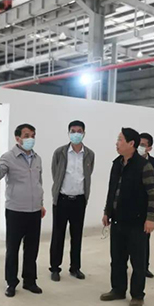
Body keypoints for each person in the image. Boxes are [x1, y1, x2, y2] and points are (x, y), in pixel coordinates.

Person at [0, 124, 46, 297]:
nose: (30, 138)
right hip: (16, 211)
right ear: (17, 138)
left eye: (32, 135)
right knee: (12, 249)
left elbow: (39, 183)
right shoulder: (8, 157)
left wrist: (40, 203)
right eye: (26, 135)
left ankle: (30, 281)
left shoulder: (37, 158)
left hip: (34, 211)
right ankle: (11, 282)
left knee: (32, 249)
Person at [101, 128, 154, 306]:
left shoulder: (144, 166)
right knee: (117, 258)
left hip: (137, 221)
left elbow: (152, 194)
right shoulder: (116, 163)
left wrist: (150, 218)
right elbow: (112, 190)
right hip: (118, 219)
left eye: (120, 139)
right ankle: (118, 290)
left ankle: (137, 295)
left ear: (131, 143)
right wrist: (107, 211)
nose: (116, 143)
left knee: (137, 261)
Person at [49, 120, 95, 282]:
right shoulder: (60, 152)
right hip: (62, 199)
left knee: (77, 235)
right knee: (58, 235)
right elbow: (55, 173)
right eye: (73, 131)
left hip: (79, 201)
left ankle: (75, 268)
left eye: (79, 131)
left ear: (84, 133)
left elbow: (88, 174)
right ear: (68, 133)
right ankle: (55, 268)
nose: (76, 134)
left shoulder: (89, 154)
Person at [138, 132, 154, 279]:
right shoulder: (127, 160)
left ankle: (144, 267)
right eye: (138, 144)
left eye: (143, 145)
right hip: (128, 205)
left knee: (144, 238)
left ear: (149, 148)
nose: (139, 147)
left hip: (145, 206)